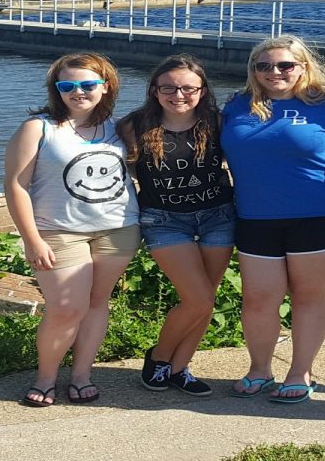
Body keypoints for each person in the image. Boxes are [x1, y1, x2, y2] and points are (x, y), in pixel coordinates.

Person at [221, 35, 325, 403]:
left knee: (307, 295)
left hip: (321, 212)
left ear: (304, 67)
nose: (274, 72)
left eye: (285, 65)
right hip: (255, 215)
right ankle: (260, 369)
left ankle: (300, 371)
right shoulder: (237, 105)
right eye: (263, 66)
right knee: (257, 298)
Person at [5, 52, 140, 407]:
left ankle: (82, 374)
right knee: (65, 308)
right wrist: (31, 239)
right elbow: (16, 186)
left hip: (118, 228)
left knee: (97, 303)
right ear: (57, 89)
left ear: (105, 85)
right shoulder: (39, 128)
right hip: (58, 231)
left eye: (88, 84)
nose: (78, 92)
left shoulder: (121, 127)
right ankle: (46, 376)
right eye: (68, 85)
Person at [118, 54, 235, 397]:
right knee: (197, 300)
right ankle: (158, 359)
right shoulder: (133, 125)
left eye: (188, 87)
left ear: (202, 90)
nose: (178, 94)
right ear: (154, 90)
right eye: (168, 87)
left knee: (206, 300)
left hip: (218, 215)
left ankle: (180, 368)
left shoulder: (217, 121)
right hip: (164, 220)